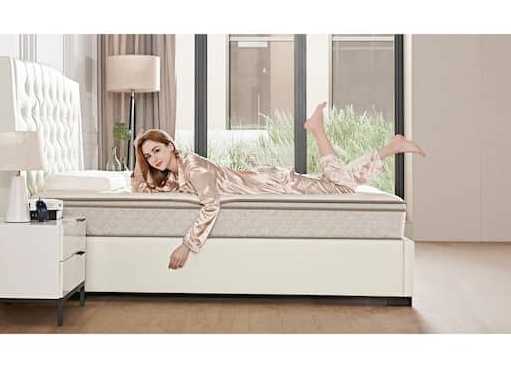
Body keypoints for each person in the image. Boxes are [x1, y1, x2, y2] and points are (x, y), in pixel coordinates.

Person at [131, 101, 427, 270]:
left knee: (342, 189)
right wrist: (137, 153)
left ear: (171, 146)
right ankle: (392, 147)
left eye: (157, 150)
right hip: (268, 180)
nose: (154, 159)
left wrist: (186, 245)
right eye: (148, 156)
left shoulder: (193, 167)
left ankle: (318, 129)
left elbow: (211, 205)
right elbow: (141, 188)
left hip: (276, 185)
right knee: (336, 183)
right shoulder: (176, 174)